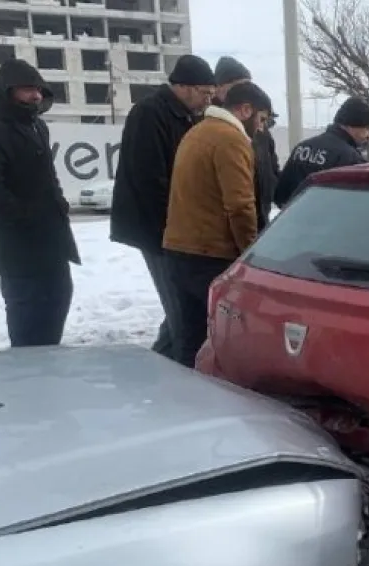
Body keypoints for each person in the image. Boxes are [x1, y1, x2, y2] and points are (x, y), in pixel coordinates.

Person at [109, 54, 215, 359]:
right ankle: (180, 375)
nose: (208, 100)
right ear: (184, 87)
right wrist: (174, 227)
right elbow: (150, 178)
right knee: (181, 313)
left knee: (181, 308)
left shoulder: (186, 115)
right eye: (205, 93)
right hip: (158, 229)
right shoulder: (149, 113)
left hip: (178, 229)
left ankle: (159, 364)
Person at [162, 82, 273, 367]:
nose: (261, 128)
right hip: (210, 253)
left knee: (190, 337)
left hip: (178, 250)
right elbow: (239, 205)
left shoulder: (197, 131)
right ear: (245, 110)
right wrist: (250, 253)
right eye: (261, 119)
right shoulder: (230, 139)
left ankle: (186, 400)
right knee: (221, 340)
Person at [0, 59, 79, 347]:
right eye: (27, 89)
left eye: (38, 89)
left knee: (58, 296)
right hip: (16, 244)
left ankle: (48, 361)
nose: (35, 95)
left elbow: (48, 174)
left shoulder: (37, 126)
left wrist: (59, 203)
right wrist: (26, 217)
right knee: (26, 311)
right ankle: (28, 378)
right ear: (8, 91)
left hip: (51, 239)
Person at [214, 56, 279, 232]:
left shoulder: (259, 126)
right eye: (239, 85)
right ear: (219, 88)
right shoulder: (214, 128)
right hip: (230, 228)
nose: (246, 90)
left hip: (259, 214)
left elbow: (271, 166)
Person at [274, 96, 369, 206]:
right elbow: (360, 204)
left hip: (295, 220)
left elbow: (281, 196)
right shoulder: (350, 158)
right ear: (351, 125)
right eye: (367, 129)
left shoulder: (302, 147)